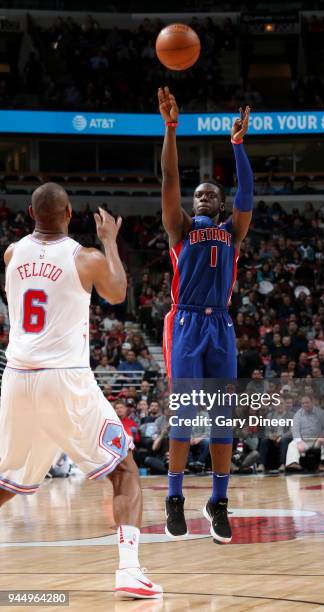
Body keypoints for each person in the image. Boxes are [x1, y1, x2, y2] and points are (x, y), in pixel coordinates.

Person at [0, 183, 162, 599]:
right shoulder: (84, 257)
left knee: (6, 481)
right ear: (70, 213)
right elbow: (118, 292)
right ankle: (128, 570)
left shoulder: (12, 254)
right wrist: (110, 242)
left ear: (32, 214)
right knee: (124, 469)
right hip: (64, 377)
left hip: (18, 378)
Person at [158, 86, 253, 543]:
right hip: (187, 323)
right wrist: (171, 131)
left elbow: (248, 195)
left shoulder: (231, 231)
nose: (201, 198)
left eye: (210, 194)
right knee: (183, 417)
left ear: (219, 204)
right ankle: (174, 497)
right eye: (198, 194)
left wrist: (237, 147)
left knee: (222, 421)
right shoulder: (179, 228)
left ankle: (218, 501)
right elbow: (169, 179)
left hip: (221, 326)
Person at [286, 395, 324, 473]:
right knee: (292, 444)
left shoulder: (321, 412)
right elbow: (295, 429)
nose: (305, 405)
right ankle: (293, 463)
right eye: (303, 403)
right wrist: (299, 441)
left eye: (307, 403)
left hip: (318, 440)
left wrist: (323, 435)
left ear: (312, 402)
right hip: (304, 441)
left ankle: (323, 463)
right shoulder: (298, 414)